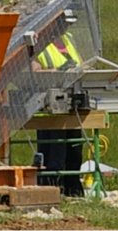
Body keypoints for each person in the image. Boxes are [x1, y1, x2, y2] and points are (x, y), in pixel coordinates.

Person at [32, 10, 84, 196]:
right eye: (62, 23)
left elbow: (81, 63)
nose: (66, 27)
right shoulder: (37, 42)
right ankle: (52, 188)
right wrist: (56, 71)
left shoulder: (68, 39)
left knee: (75, 151)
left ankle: (73, 189)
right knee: (55, 150)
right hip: (50, 106)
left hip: (72, 104)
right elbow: (33, 71)